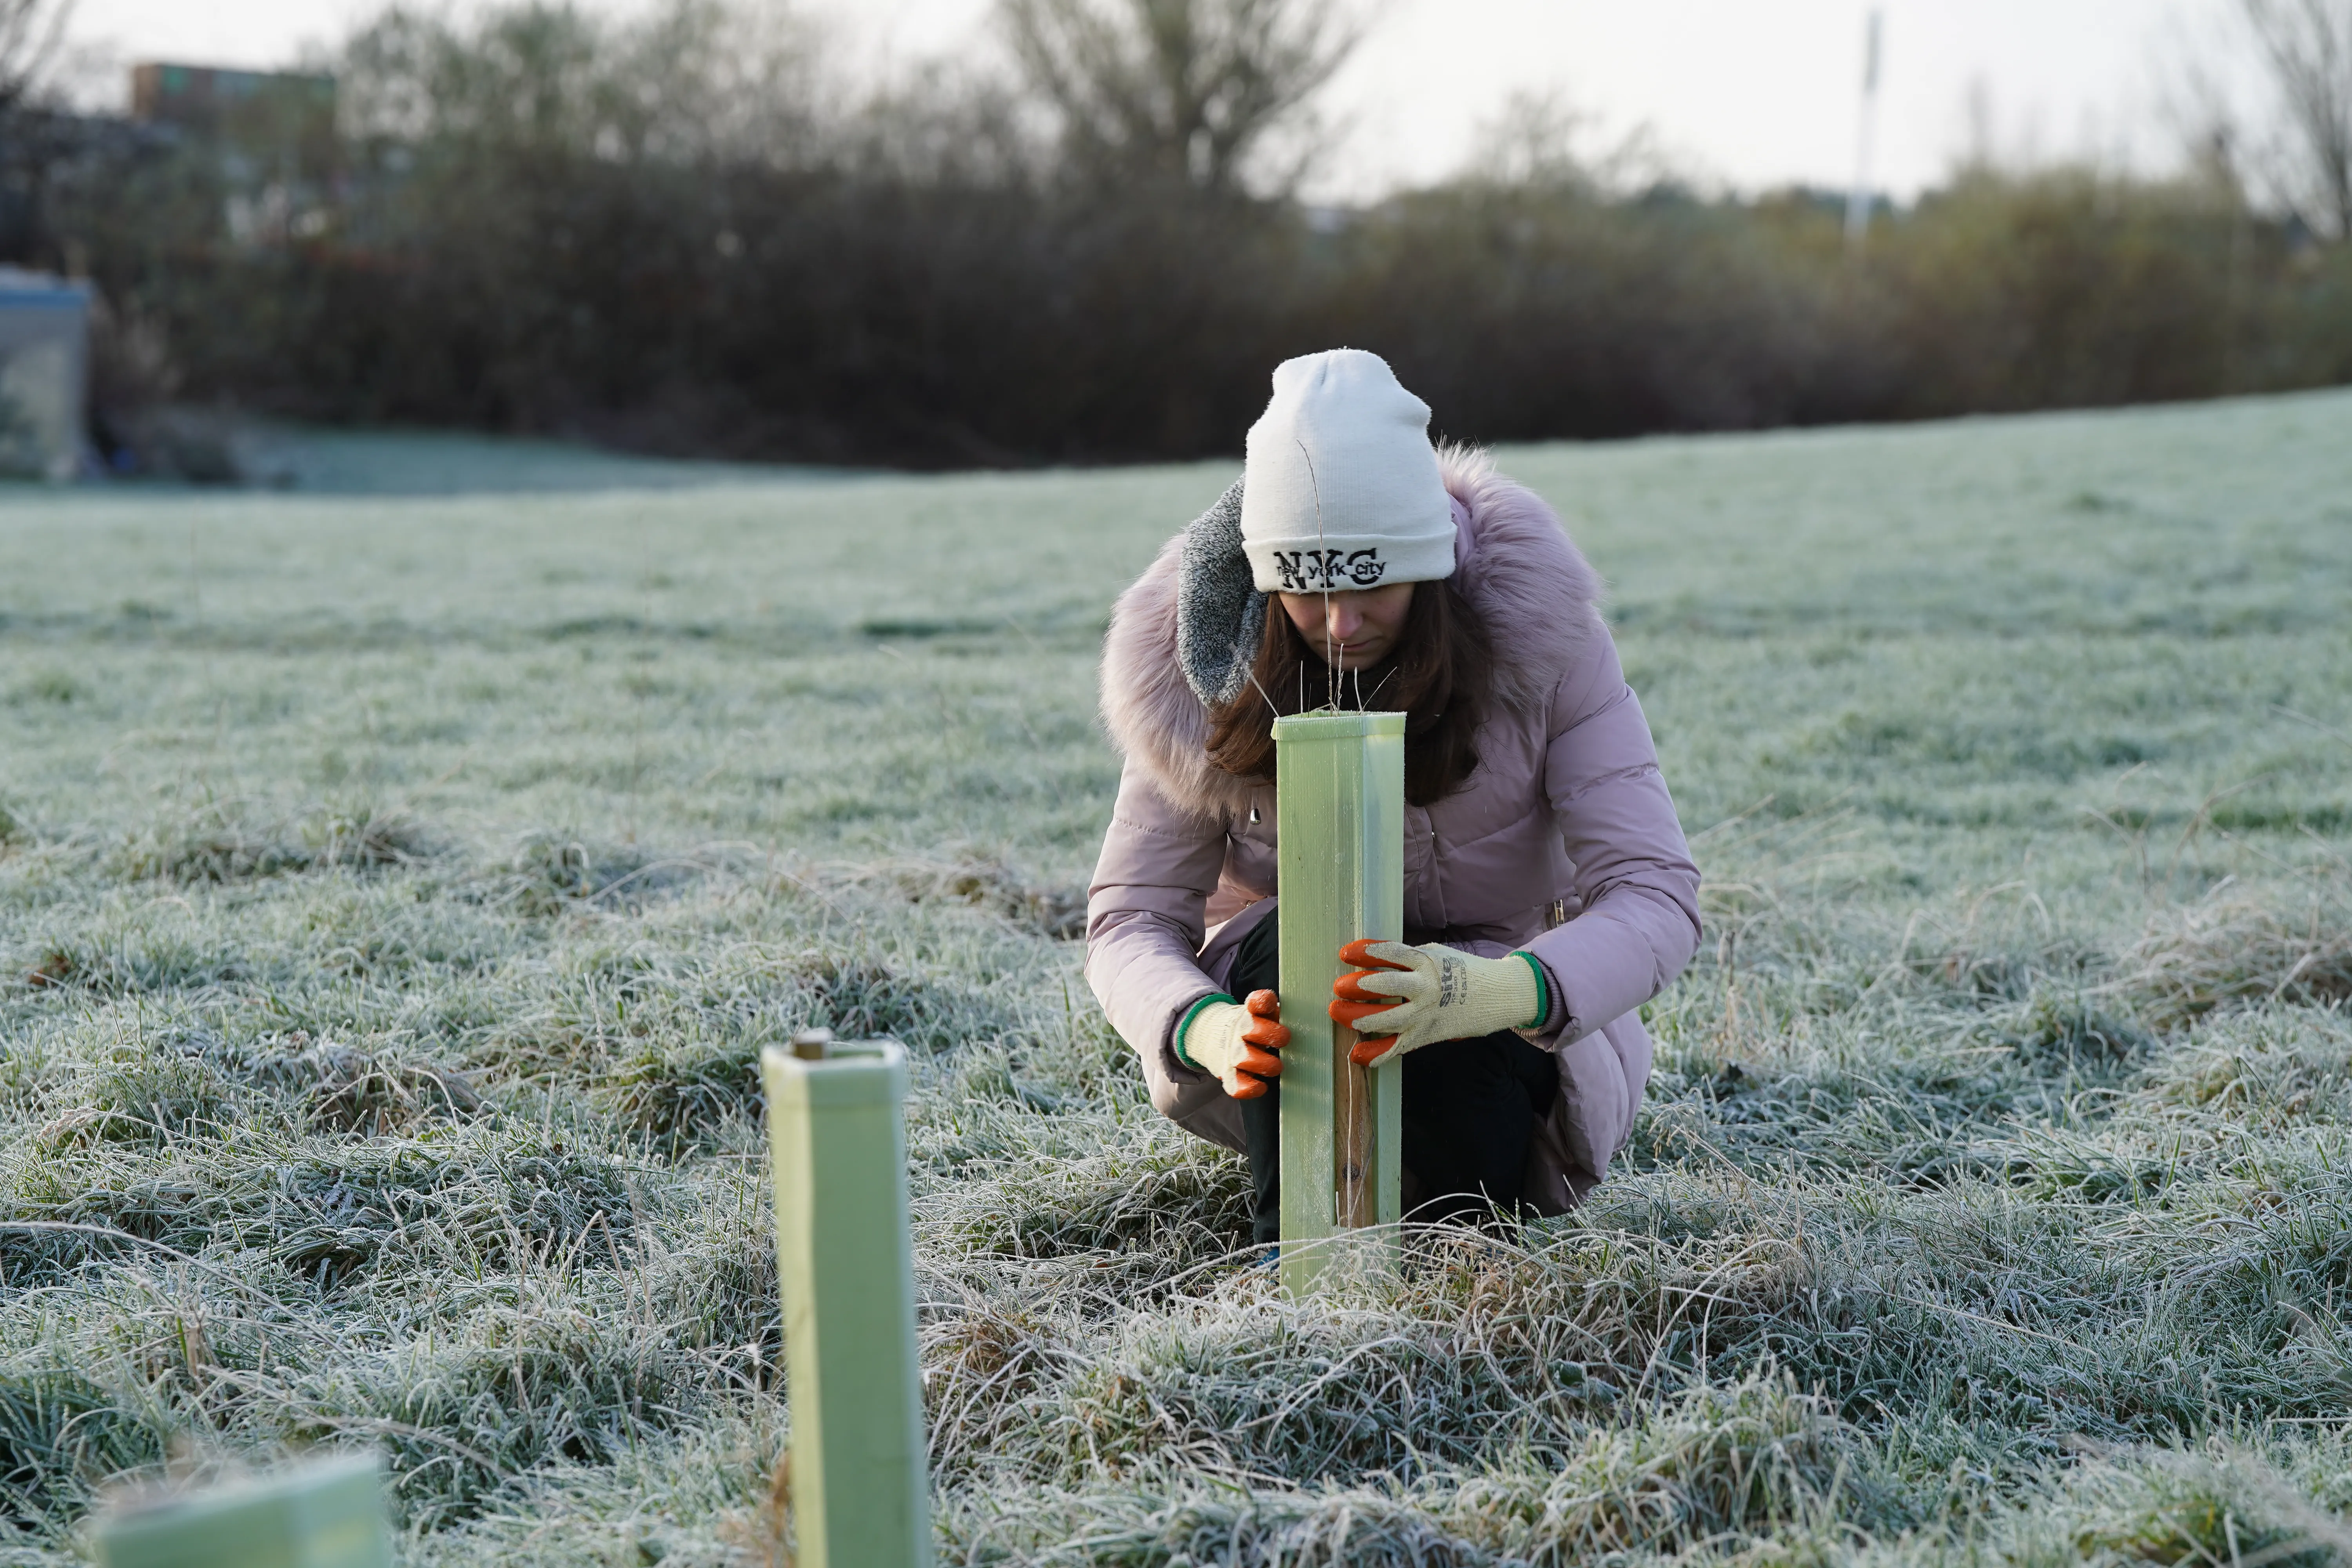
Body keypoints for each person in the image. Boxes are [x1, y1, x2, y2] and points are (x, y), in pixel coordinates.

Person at [1085, 348, 1700, 1240]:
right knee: (1292, 949)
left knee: (1461, 1135)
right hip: (1288, 1025)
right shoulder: (1194, 667)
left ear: (1430, 562)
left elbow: (1657, 892)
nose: (1340, 624)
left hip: (1503, 1031)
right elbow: (1130, 917)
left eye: (1371, 583)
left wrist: (1501, 990)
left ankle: (1464, 1255)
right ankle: (1292, 1260)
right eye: (1306, 589)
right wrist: (1202, 1028)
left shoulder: (1550, 644)